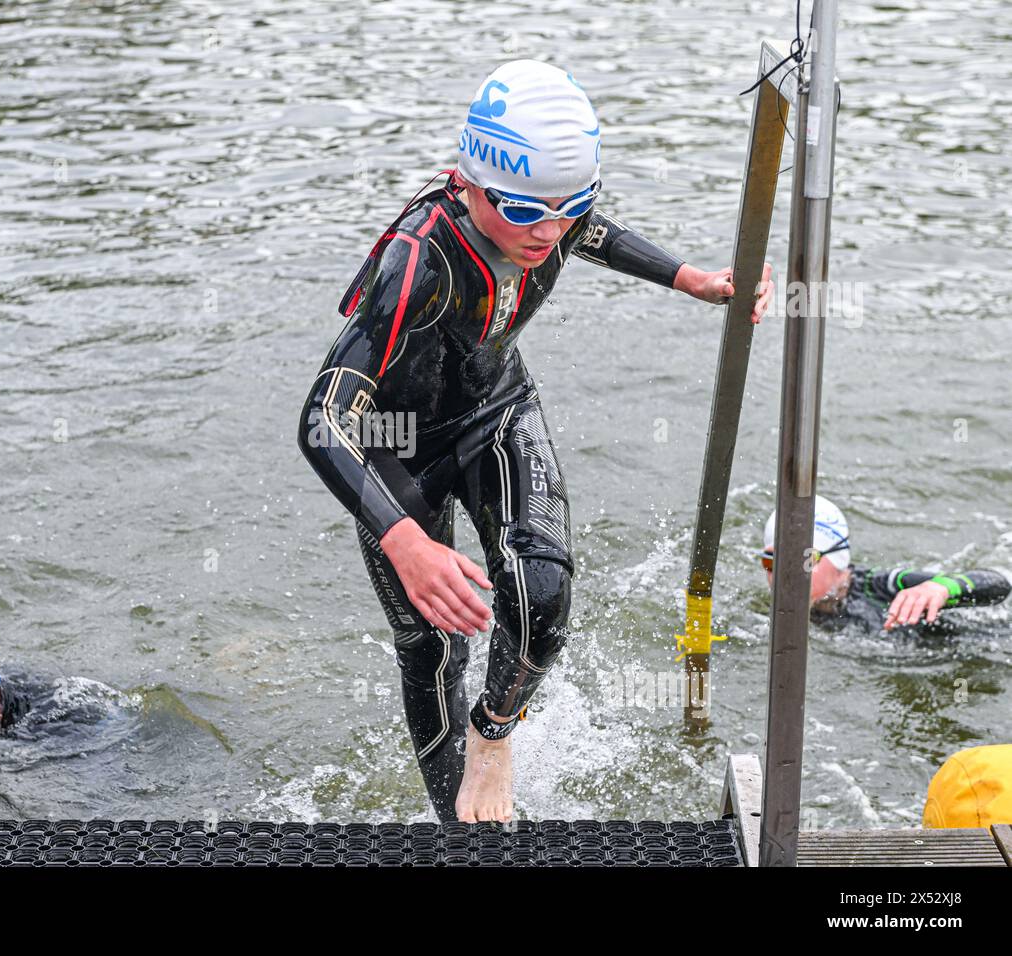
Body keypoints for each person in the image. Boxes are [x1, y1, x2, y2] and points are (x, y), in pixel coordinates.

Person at [297, 59, 774, 823]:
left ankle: (493, 736)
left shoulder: (548, 210)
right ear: (469, 183)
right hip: (394, 450)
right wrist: (404, 542)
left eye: (566, 208)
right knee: (435, 646)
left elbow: (589, 230)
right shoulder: (415, 263)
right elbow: (325, 417)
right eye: (524, 213)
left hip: (494, 407)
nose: (547, 234)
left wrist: (690, 278)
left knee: (542, 597)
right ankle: (458, 826)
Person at [758, 495, 1010, 631]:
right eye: (771, 561)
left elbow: (999, 586)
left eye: (803, 560)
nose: (783, 576)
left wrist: (942, 587)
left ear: (838, 559)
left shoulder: (882, 587)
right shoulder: (769, 614)